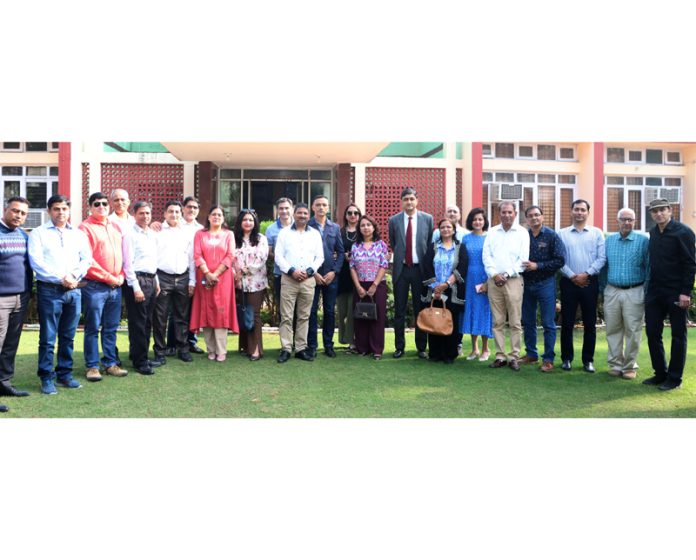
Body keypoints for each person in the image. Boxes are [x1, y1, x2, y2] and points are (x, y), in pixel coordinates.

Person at [28, 195, 91, 394]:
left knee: (68, 336)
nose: (60, 212)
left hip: (74, 291)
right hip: (50, 291)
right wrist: (61, 277)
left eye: (64, 209)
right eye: (56, 209)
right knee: (48, 337)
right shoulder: (38, 233)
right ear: (49, 211)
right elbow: (36, 261)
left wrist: (72, 275)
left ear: (69, 210)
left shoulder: (78, 234)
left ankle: (65, 374)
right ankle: (46, 378)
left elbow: (87, 259)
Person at [642, 198, 696, 391]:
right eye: (654, 211)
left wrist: (685, 292)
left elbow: (690, 264)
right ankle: (660, 373)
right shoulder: (654, 232)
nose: (658, 214)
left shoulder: (684, 232)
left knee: (678, 335)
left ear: (670, 210)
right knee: (652, 333)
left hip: (676, 292)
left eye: (662, 210)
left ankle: (675, 378)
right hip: (655, 291)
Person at [79, 192, 128, 382]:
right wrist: (109, 277)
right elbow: (87, 260)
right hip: (95, 286)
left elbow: (124, 255)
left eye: (105, 203)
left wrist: (121, 276)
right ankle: (92, 366)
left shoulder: (115, 226)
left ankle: (110, 363)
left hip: (116, 286)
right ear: (90, 207)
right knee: (92, 327)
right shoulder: (85, 228)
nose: (102, 207)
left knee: (111, 327)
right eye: (97, 204)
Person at [599, 207, 649, 380]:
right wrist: (603, 289)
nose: (627, 222)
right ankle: (615, 364)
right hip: (612, 290)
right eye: (624, 219)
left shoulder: (643, 241)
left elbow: (648, 267)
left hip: (634, 290)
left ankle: (629, 366)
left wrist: (645, 290)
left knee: (633, 330)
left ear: (634, 222)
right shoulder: (609, 241)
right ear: (617, 220)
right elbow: (604, 267)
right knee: (612, 329)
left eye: (630, 220)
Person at [558, 199, 606, 373]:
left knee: (589, 323)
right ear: (571, 211)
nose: (579, 213)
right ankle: (566, 359)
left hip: (589, 283)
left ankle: (588, 360)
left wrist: (586, 274)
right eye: (576, 209)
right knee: (567, 323)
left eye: (582, 210)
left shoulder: (597, 233)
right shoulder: (562, 234)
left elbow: (601, 258)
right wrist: (572, 276)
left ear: (588, 212)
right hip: (568, 282)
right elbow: (559, 259)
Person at [482, 201, 530, 371]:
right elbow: (486, 256)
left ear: (515, 214)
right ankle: (500, 356)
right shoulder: (492, 232)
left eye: (510, 212)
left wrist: (507, 274)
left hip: (514, 280)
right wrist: (495, 274)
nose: (507, 215)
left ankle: (514, 356)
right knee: (497, 321)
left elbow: (523, 258)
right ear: (499, 213)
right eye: (504, 212)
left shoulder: (523, 233)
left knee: (515, 321)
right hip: (494, 281)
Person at [274, 203, 324, 363]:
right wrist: (291, 271)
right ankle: (286, 348)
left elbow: (320, 257)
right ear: (294, 215)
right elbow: (278, 256)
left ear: (309, 216)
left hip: (308, 281)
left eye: (305, 213)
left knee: (304, 316)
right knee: (286, 316)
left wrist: (310, 271)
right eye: (299, 213)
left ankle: (301, 348)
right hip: (289, 279)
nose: (302, 216)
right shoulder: (284, 233)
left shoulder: (315, 234)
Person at [388, 187, 434, 359]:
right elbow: (394, 243)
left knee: (420, 310)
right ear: (402, 201)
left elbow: (429, 244)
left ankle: (421, 347)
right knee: (399, 311)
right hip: (401, 270)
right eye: (406, 199)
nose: (409, 202)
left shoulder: (427, 219)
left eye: (411, 199)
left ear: (417, 200)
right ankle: (399, 347)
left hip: (419, 271)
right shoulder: (393, 220)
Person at [190, 205, 239, 361]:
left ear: (223, 218)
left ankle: (221, 350)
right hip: (204, 278)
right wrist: (207, 274)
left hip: (223, 279)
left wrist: (215, 274)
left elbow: (230, 255)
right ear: (209, 217)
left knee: (221, 312)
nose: (216, 217)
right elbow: (197, 255)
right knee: (206, 311)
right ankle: (210, 349)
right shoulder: (200, 234)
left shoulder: (228, 234)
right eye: (214, 214)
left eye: (219, 215)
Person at [520, 205, 565, 372]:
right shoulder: (523, 236)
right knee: (528, 321)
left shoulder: (552, 235)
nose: (534, 218)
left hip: (545, 283)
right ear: (526, 220)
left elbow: (560, 260)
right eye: (530, 216)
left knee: (548, 323)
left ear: (542, 217)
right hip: (526, 284)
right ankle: (531, 354)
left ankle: (548, 359)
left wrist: (537, 265)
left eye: (537, 215)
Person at [152, 200, 196, 364]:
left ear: (181, 213)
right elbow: (153, 258)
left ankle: (183, 348)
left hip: (183, 278)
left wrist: (192, 280)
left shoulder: (187, 233)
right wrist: (155, 279)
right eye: (171, 211)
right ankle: (160, 352)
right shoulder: (157, 232)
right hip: (163, 277)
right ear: (164, 214)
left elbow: (191, 259)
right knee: (160, 317)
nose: (174, 215)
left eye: (177, 212)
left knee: (182, 316)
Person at [421, 218, 468, 364]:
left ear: (454, 230)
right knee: (434, 321)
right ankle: (434, 353)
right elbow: (426, 266)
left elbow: (462, 267)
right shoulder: (433, 247)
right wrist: (436, 287)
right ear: (439, 230)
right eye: (442, 227)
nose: (446, 229)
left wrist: (446, 284)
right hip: (434, 291)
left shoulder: (460, 247)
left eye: (448, 227)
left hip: (452, 291)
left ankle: (449, 354)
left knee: (450, 322)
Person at [122, 201, 161, 375]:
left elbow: (153, 260)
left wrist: (156, 281)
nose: (145, 216)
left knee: (147, 322)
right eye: (141, 213)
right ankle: (140, 361)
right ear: (134, 214)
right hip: (137, 281)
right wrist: (136, 287)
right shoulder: (130, 235)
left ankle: (139, 354)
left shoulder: (152, 235)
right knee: (138, 322)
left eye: (147, 213)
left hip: (151, 280)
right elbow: (127, 264)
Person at [0, 197, 32, 403]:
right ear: (5, 210)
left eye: (23, 213)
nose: (18, 215)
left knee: (11, 344)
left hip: (21, 297)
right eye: (15, 211)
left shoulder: (23, 235)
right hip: (1, 299)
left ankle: (4, 385)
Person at [165, 196, 205, 355]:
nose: (192, 210)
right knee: (174, 312)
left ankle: (190, 342)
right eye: (189, 207)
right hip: (177, 273)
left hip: (194, 273)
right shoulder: (174, 225)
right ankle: (172, 343)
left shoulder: (201, 229)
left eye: (195, 208)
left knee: (191, 309)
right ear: (183, 209)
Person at [307, 194, 344, 358]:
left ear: (328, 208)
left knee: (329, 312)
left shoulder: (334, 228)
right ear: (313, 208)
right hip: (311, 276)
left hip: (330, 276)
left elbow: (341, 252)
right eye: (318, 205)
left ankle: (329, 345)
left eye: (324, 205)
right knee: (311, 311)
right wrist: (312, 272)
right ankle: (312, 345)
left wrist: (334, 271)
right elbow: (303, 252)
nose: (321, 207)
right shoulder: (307, 226)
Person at [350, 215, 389, 359]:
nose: (365, 228)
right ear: (359, 229)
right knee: (361, 316)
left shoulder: (381, 245)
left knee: (376, 317)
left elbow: (384, 265)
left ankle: (377, 349)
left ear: (373, 227)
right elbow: (352, 267)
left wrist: (374, 284)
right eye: (362, 225)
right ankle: (362, 348)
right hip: (360, 285)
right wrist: (358, 286)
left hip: (377, 284)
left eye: (368, 225)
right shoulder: (355, 246)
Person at [233, 209, 268, 361]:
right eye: (245, 220)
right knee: (242, 313)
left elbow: (261, 258)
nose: (248, 222)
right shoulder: (234, 238)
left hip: (256, 283)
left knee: (253, 314)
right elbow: (229, 258)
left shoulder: (261, 238)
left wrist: (244, 271)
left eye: (251, 220)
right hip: (237, 283)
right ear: (240, 222)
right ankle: (244, 346)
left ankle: (255, 349)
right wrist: (235, 275)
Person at [459, 208, 493, 361]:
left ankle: (486, 349)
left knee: (484, 311)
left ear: (484, 221)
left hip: (485, 277)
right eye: (474, 220)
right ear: (470, 222)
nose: (477, 222)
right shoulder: (466, 238)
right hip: (469, 278)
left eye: (480, 219)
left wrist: (487, 281)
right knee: (471, 311)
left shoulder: (490, 238)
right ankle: (474, 349)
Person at [337, 203, 361, 353]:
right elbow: (334, 250)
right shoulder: (339, 232)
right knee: (341, 311)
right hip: (341, 275)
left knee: (353, 311)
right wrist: (341, 256)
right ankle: (343, 339)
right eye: (350, 213)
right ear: (345, 215)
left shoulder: (363, 231)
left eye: (356, 213)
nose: (353, 215)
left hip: (358, 276)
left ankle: (352, 342)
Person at [265, 197, 294, 310]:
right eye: (281, 208)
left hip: (299, 275)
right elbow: (269, 252)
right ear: (277, 210)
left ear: (292, 209)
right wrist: (282, 260)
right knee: (283, 309)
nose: (284, 211)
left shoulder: (300, 226)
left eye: (287, 208)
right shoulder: (271, 229)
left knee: (299, 311)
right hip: (280, 275)